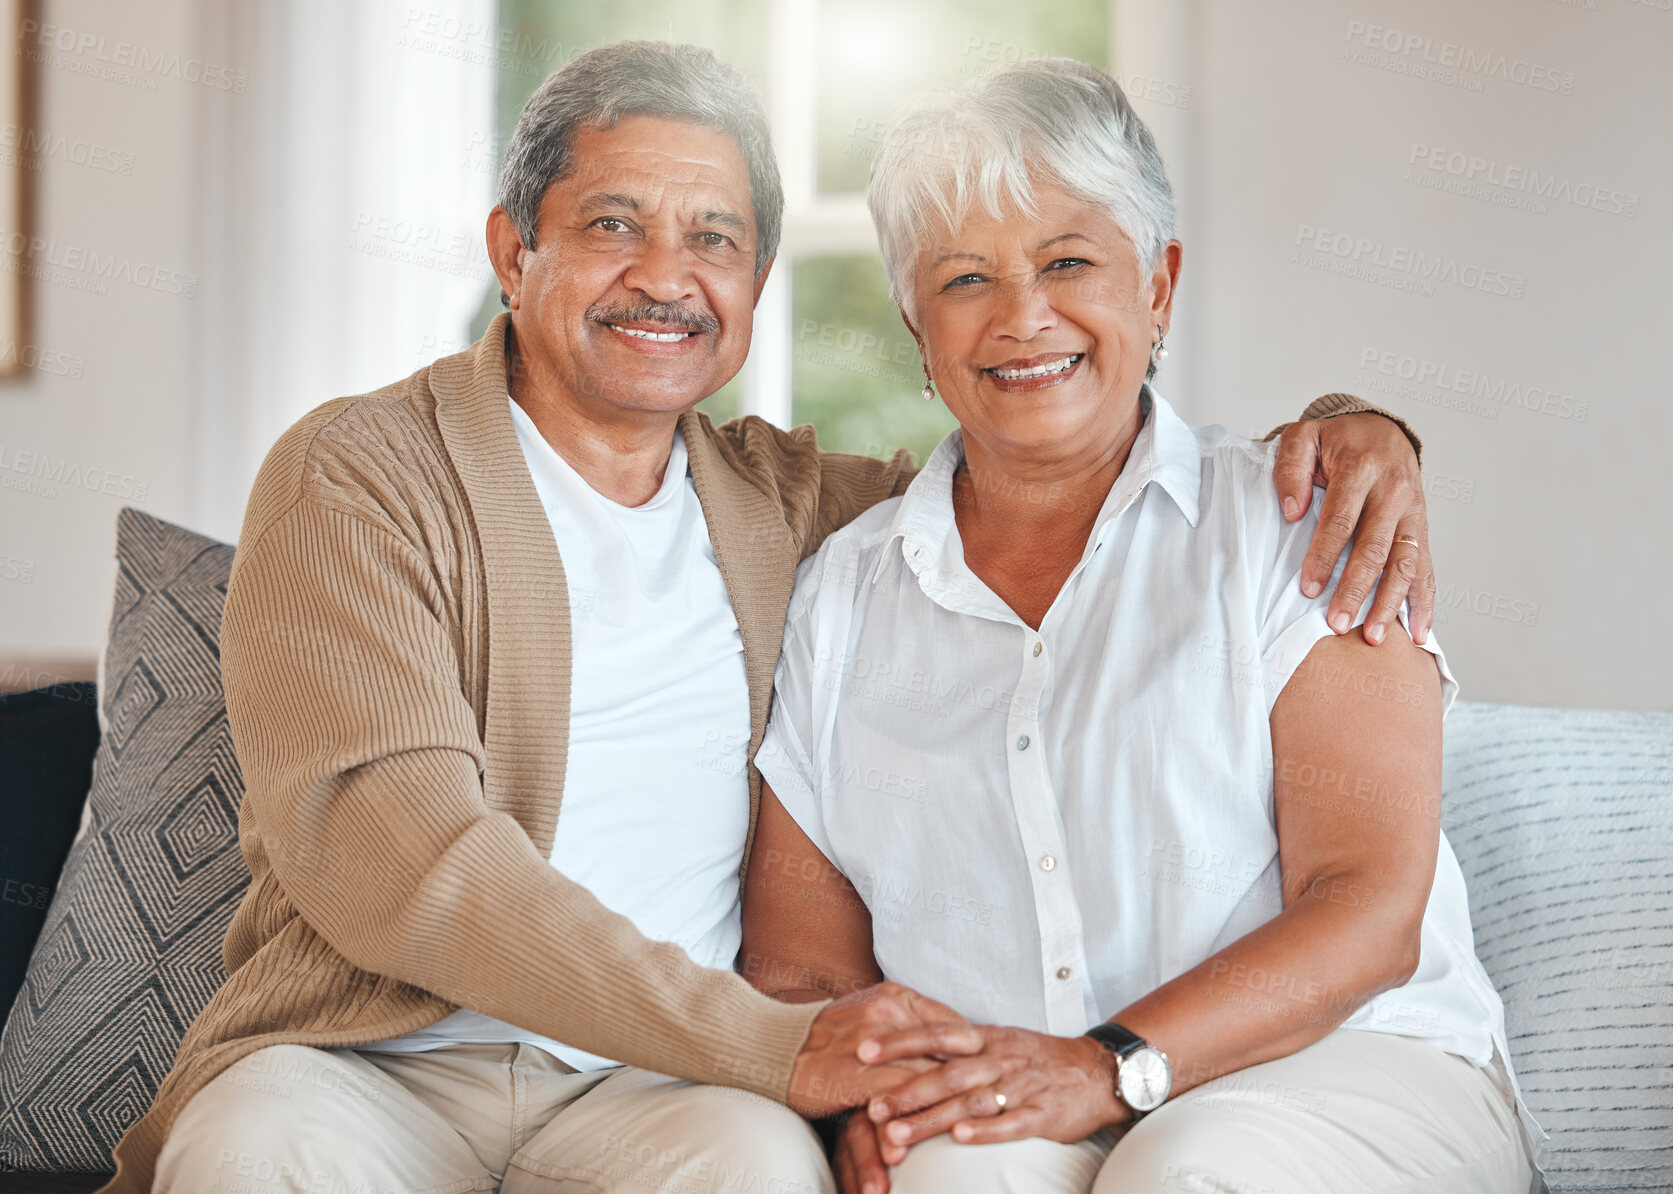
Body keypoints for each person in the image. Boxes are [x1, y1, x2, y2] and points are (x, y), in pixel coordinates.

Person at [102, 42, 1433, 1194]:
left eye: (714, 239)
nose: (663, 277)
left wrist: (1351, 434)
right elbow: (408, 865)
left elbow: (1051, 462)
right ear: (516, 248)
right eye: (613, 224)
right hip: (372, 1063)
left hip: (657, 1087)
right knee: (253, 1149)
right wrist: (775, 1047)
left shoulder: (793, 508)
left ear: (755, 282)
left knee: (751, 1169)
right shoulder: (358, 475)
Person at [744, 57, 1544, 1194]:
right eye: (965, 278)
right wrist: (859, 1104)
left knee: (1186, 1173)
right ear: (917, 329)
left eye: (1067, 261)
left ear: (1157, 287)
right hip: (1016, 1085)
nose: (1022, 316)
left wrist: (1110, 1067)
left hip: (1346, 1066)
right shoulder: (840, 597)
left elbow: (1367, 909)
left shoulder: (1300, 523)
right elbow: (798, 964)